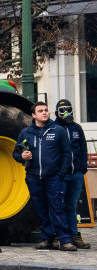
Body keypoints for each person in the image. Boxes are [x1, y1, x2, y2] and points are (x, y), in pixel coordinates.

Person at [15, 101, 74, 251]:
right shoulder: (25, 132)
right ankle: (46, 238)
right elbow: (15, 154)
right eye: (40, 111)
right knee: (40, 209)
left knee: (58, 208)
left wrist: (61, 173)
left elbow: (67, 154)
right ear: (34, 115)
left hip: (54, 177)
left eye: (46, 110)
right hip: (34, 177)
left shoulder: (58, 131)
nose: (45, 113)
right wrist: (23, 156)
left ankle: (65, 240)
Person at [56, 99, 89, 249]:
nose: (65, 113)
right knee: (58, 206)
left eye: (68, 109)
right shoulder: (54, 128)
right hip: (61, 175)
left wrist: (82, 168)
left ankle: (74, 234)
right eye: (62, 110)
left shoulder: (77, 128)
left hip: (76, 174)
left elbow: (83, 149)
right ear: (57, 112)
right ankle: (59, 235)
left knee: (72, 206)